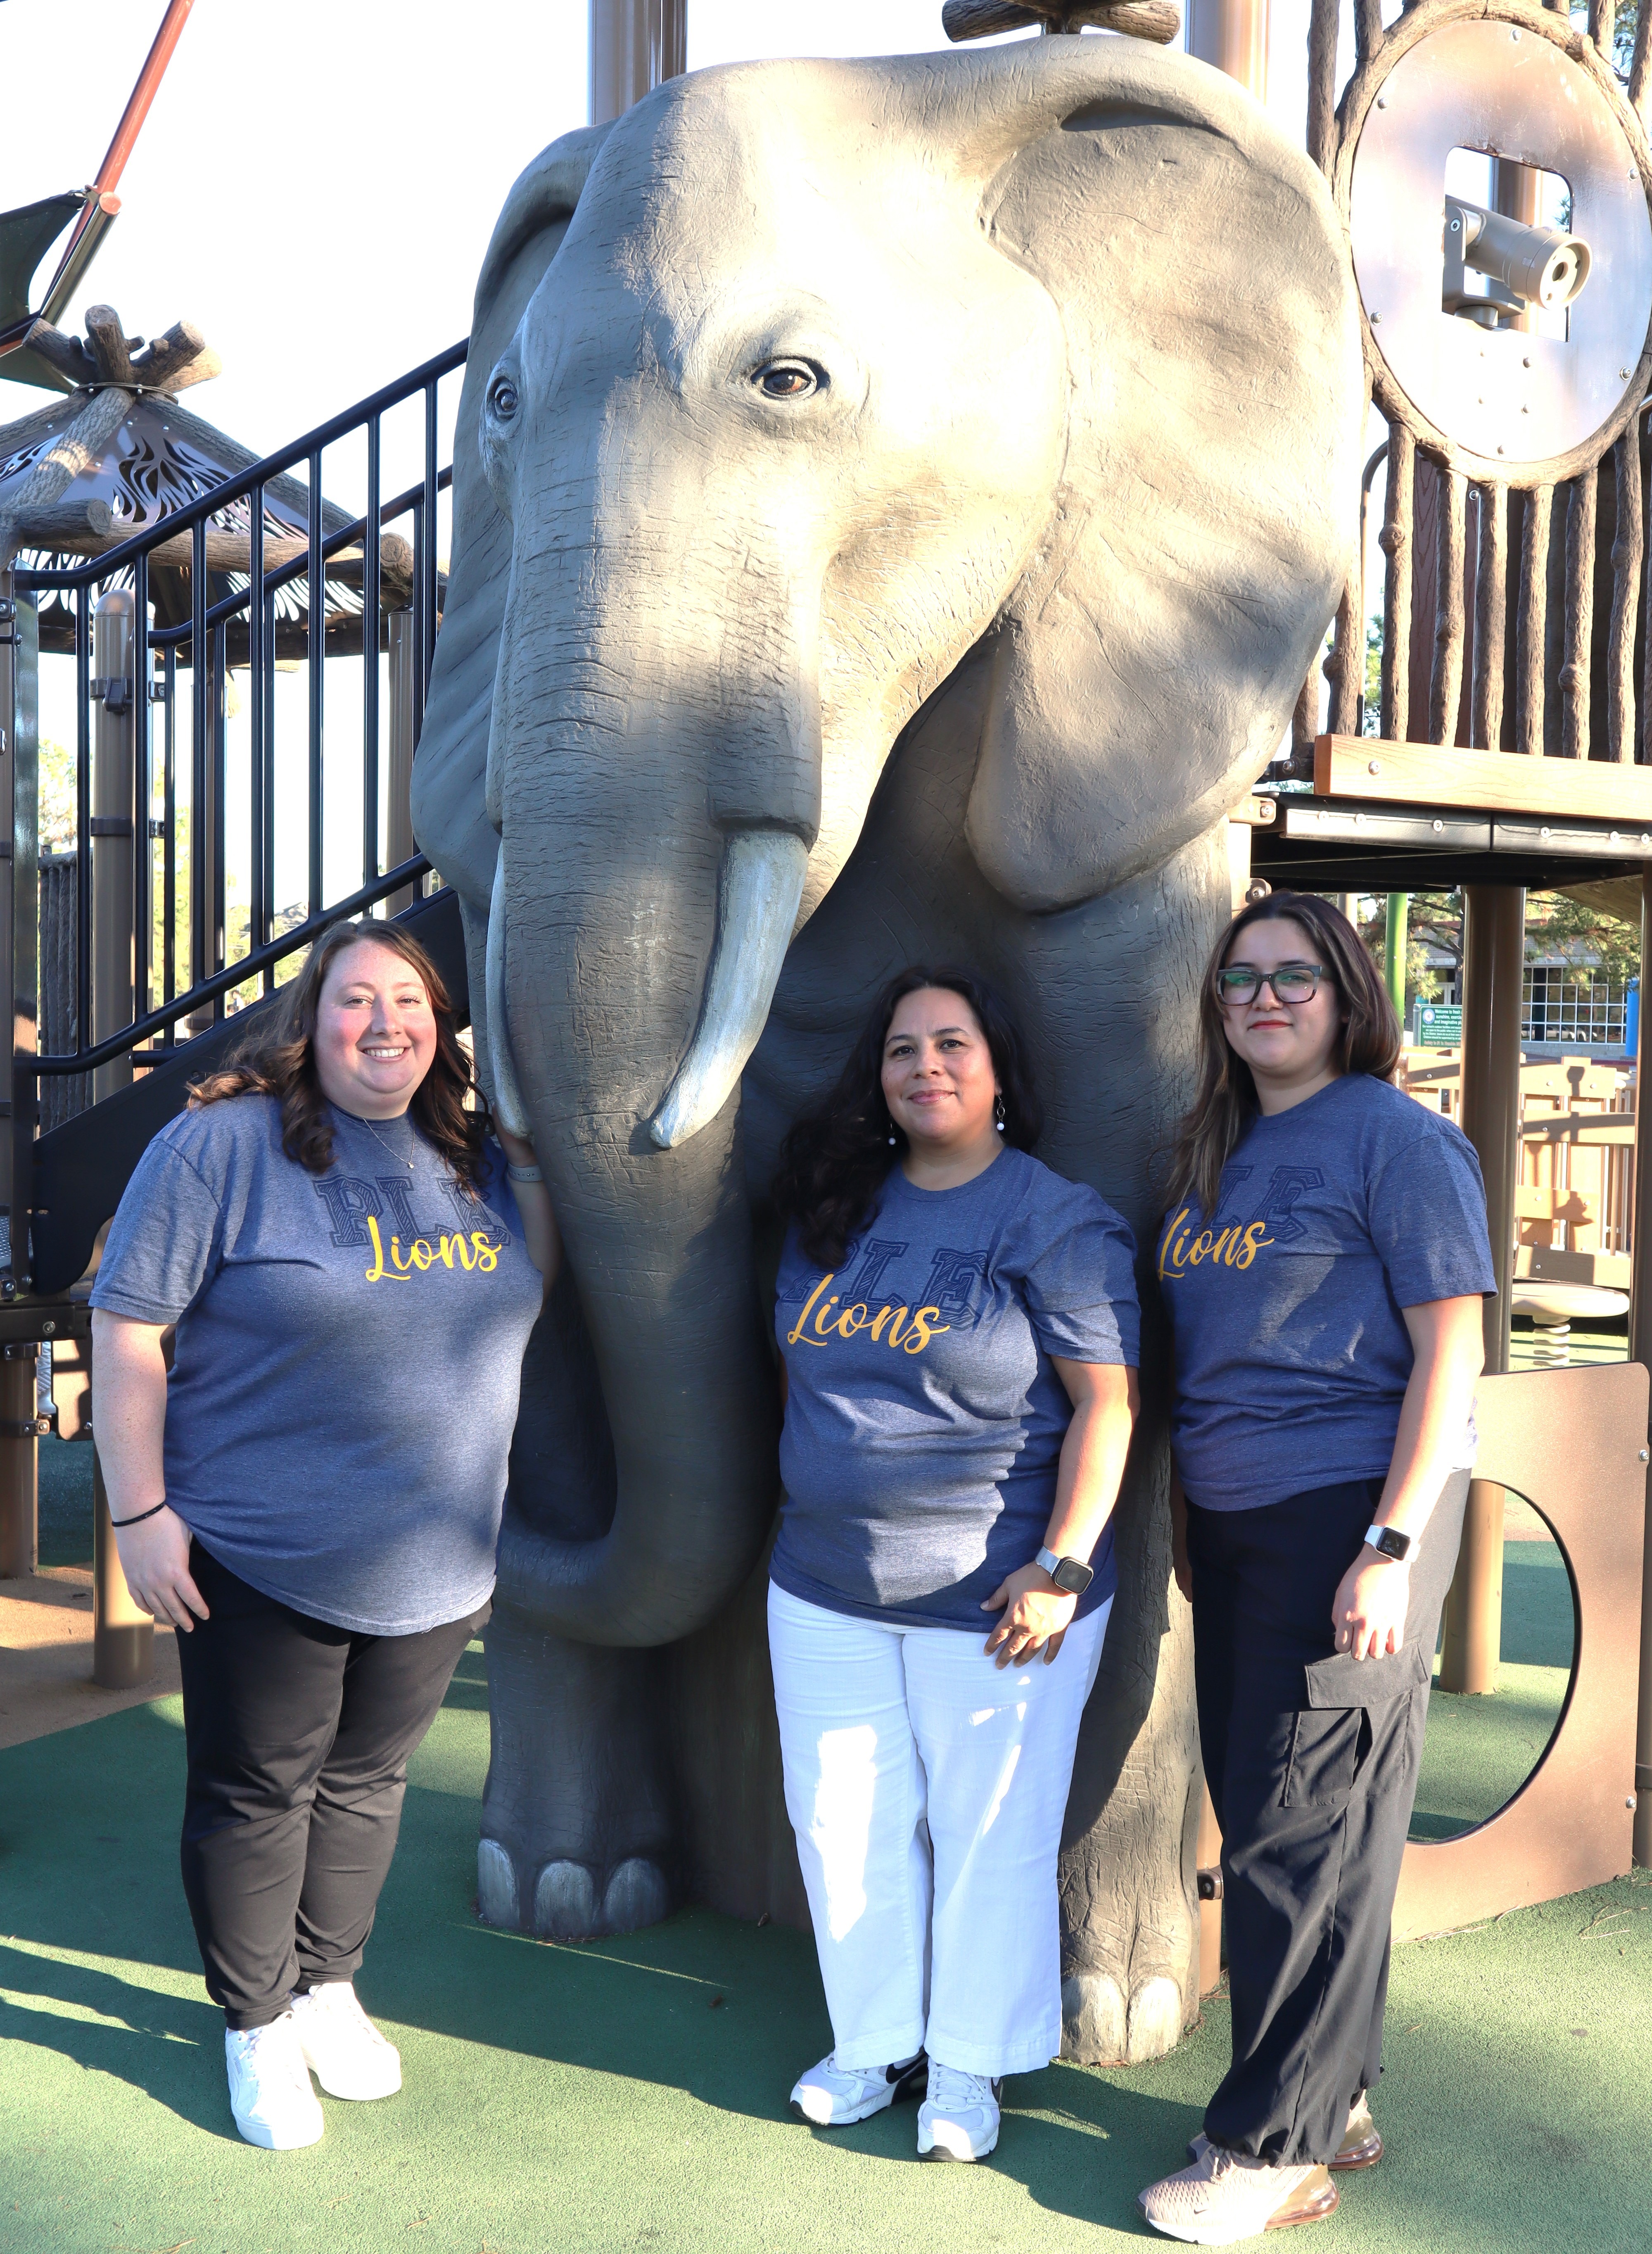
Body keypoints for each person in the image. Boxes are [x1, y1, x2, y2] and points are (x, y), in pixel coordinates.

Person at [90, 918, 555, 2152]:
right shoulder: (219, 1147)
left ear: (440, 1026)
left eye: (410, 999)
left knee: (366, 1782)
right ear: (312, 1021)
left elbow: (536, 1287)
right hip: (261, 1550)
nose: (385, 1022)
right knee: (259, 1791)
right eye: (358, 999)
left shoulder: (474, 1158)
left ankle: (326, 1985)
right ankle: (253, 2023)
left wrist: (531, 1147)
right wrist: (140, 1513)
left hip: (437, 1559)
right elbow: (129, 1325)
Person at [1136, 892, 1493, 2246]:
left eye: (1294, 977)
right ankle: (1330, 2097)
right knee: (1286, 1817)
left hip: (1351, 1518)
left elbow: (1451, 1352)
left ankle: (1270, 2150)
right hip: (1238, 1529)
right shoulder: (1214, 1149)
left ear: (1349, 994)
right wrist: (1187, 1519)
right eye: (1240, 980)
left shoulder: (1399, 1141)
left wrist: (1393, 1543)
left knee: (1300, 1832)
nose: (1264, 999)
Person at [767, 965, 1140, 2164]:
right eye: (901, 1049)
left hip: (999, 1602)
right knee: (842, 1824)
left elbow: (1108, 1408)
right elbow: (799, 1375)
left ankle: (970, 2064)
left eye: (952, 1045)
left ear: (998, 1074)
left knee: (992, 1834)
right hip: (821, 1585)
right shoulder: (837, 1205)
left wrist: (1065, 1564)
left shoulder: (1055, 1218)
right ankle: (873, 2042)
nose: (926, 1065)